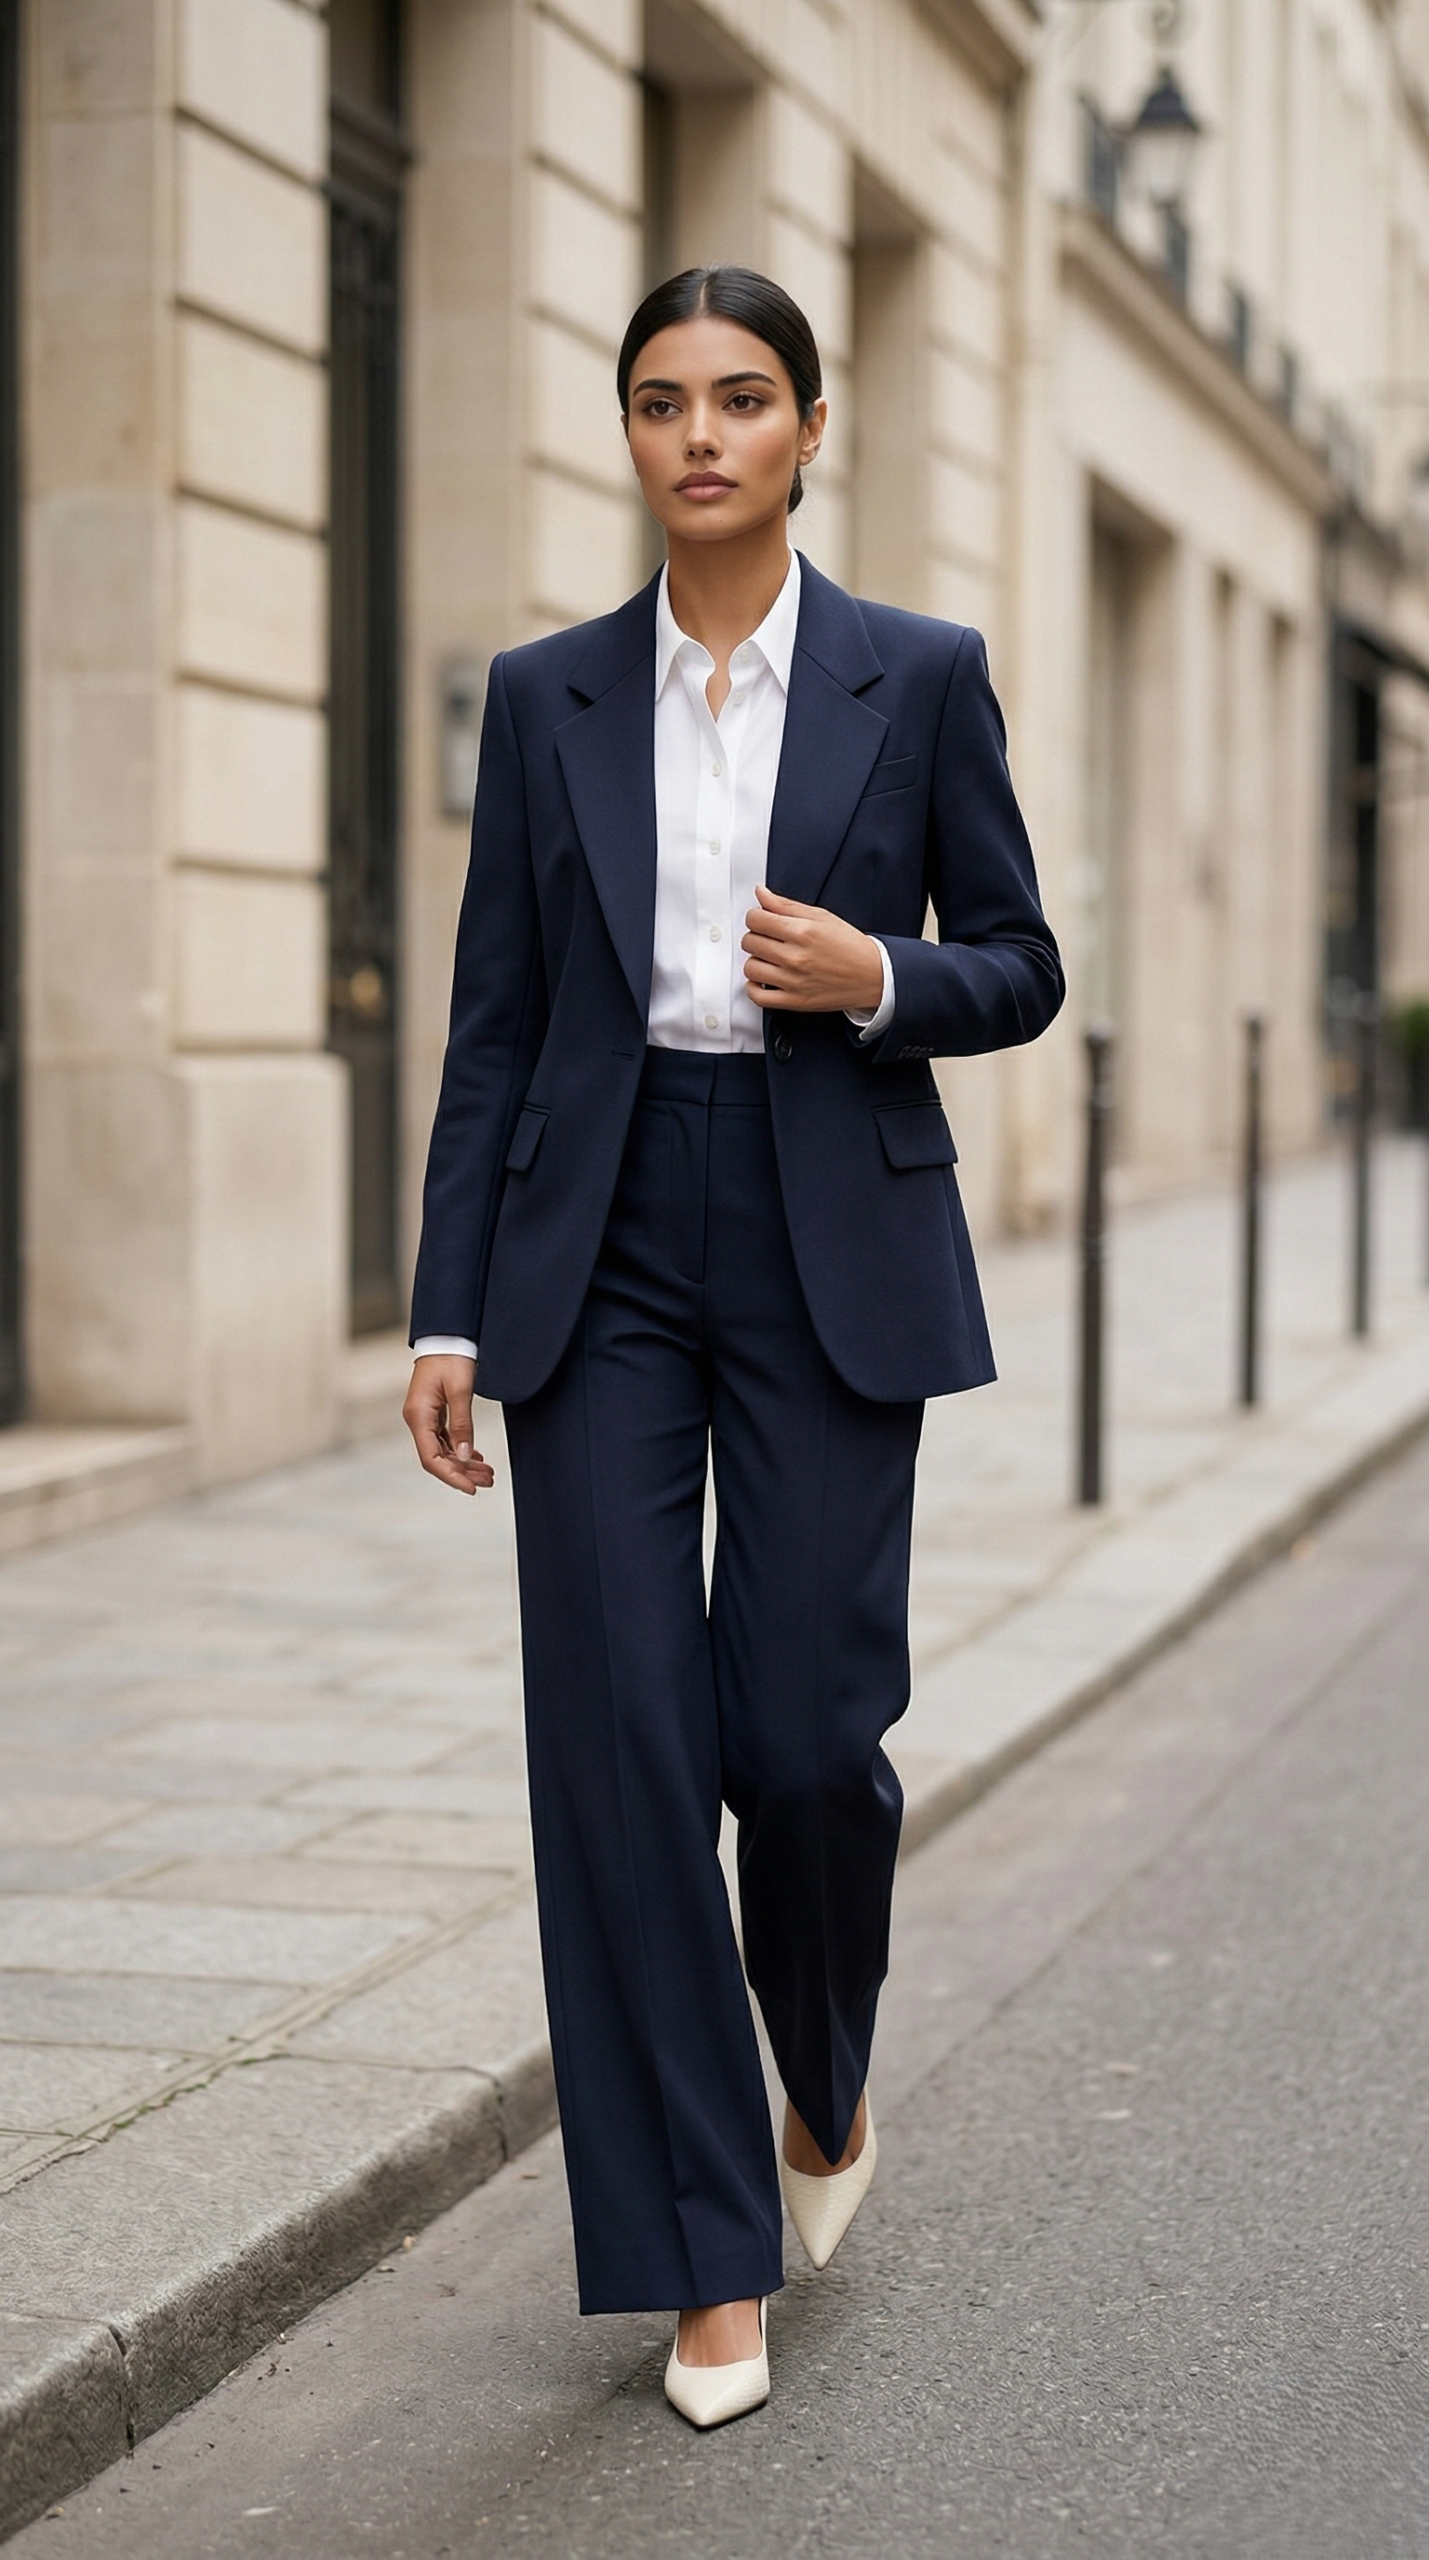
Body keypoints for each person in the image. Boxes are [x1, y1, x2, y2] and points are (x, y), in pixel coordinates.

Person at [403, 265, 1063, 2429]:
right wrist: (445, 1299)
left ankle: (827, 2064)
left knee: (795, 1734)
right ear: (629, 436)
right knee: (615, 1744)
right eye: (665, 400)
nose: (703, 432)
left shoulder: (918, 675)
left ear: (806, 431)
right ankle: (703, 2254)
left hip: (820, 1229)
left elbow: (1025, 962)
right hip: (592, 1245)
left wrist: (880, 967)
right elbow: (497, 1017)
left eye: (744, 398)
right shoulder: (548, 697)